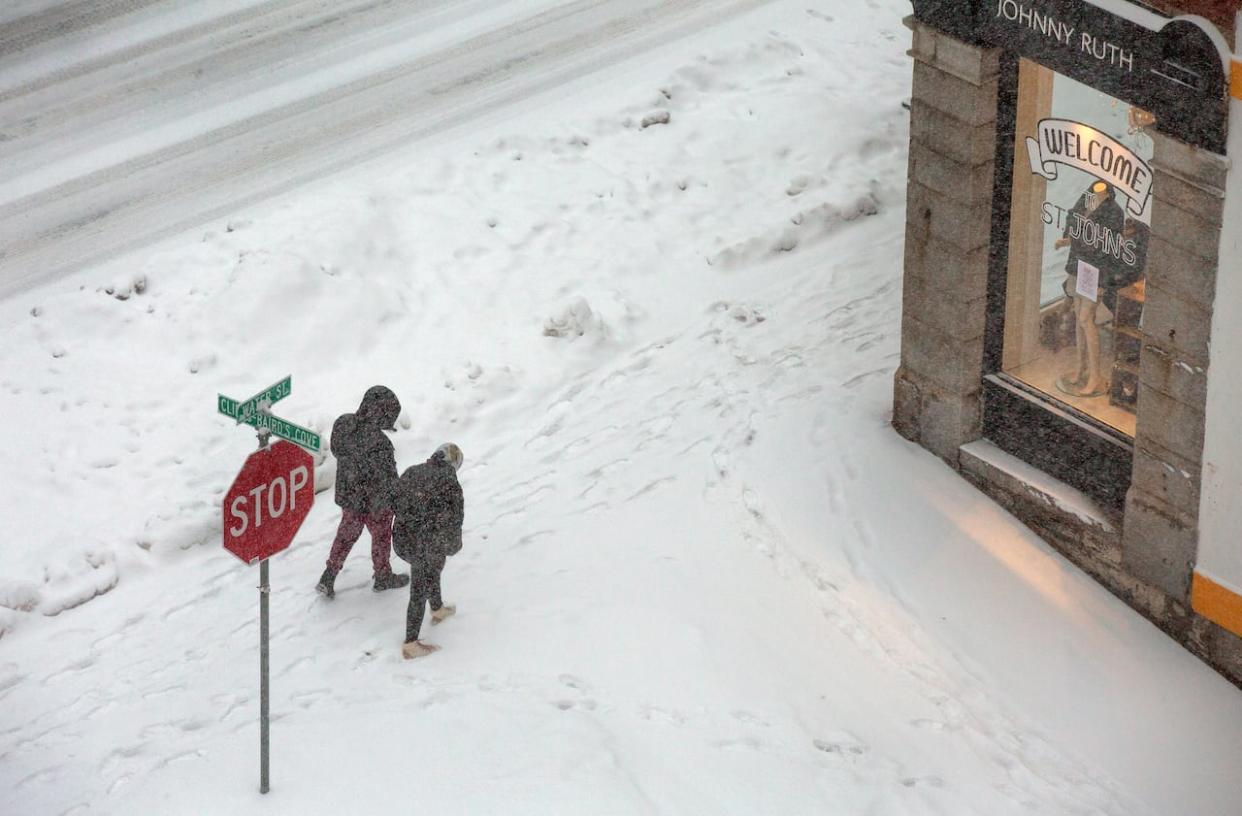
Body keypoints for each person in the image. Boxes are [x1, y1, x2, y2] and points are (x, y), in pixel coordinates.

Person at [316, 386, 410, 598]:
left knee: (346, 535)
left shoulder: (343, 423)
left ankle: (329, 575)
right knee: (381, 537)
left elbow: (337, 451)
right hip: (375, 503)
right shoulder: (380, 443)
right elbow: (389, 481)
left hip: (350, 497)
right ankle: (383, 576)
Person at [392, 443, 465, 659]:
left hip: (403, 539)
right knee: (420, 586)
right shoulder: (450, 483)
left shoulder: (413, 471)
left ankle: (437, 608)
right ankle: (411, 643)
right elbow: (454, 520)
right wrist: (452, 545)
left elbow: (394, 501)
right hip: (426, 542)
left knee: (431, 568)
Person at [1053, 180, 1124, 399]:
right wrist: (1065, 241)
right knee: (1078, 317)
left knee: (1086, 319)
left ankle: (1095, 375)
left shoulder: (1114, 212)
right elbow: (1075, 224)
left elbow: (1111, 249)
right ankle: (1080, 367)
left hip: (1095, 270)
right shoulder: (1087, 198)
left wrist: (1103, 281)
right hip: (1077, 264)